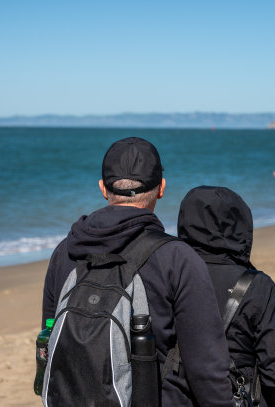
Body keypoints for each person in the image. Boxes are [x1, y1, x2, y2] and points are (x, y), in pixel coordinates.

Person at [41, 137, 234, 406]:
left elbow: (49, 340)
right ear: (161, 188)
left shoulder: (66, 251)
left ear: (103, 188)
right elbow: (207, 367)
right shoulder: (177, 258)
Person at [178, 186, 275, 407]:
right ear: (240, 225)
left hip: (178, 396)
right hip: (236, 395)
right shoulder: (258, 285)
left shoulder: (169, 274)